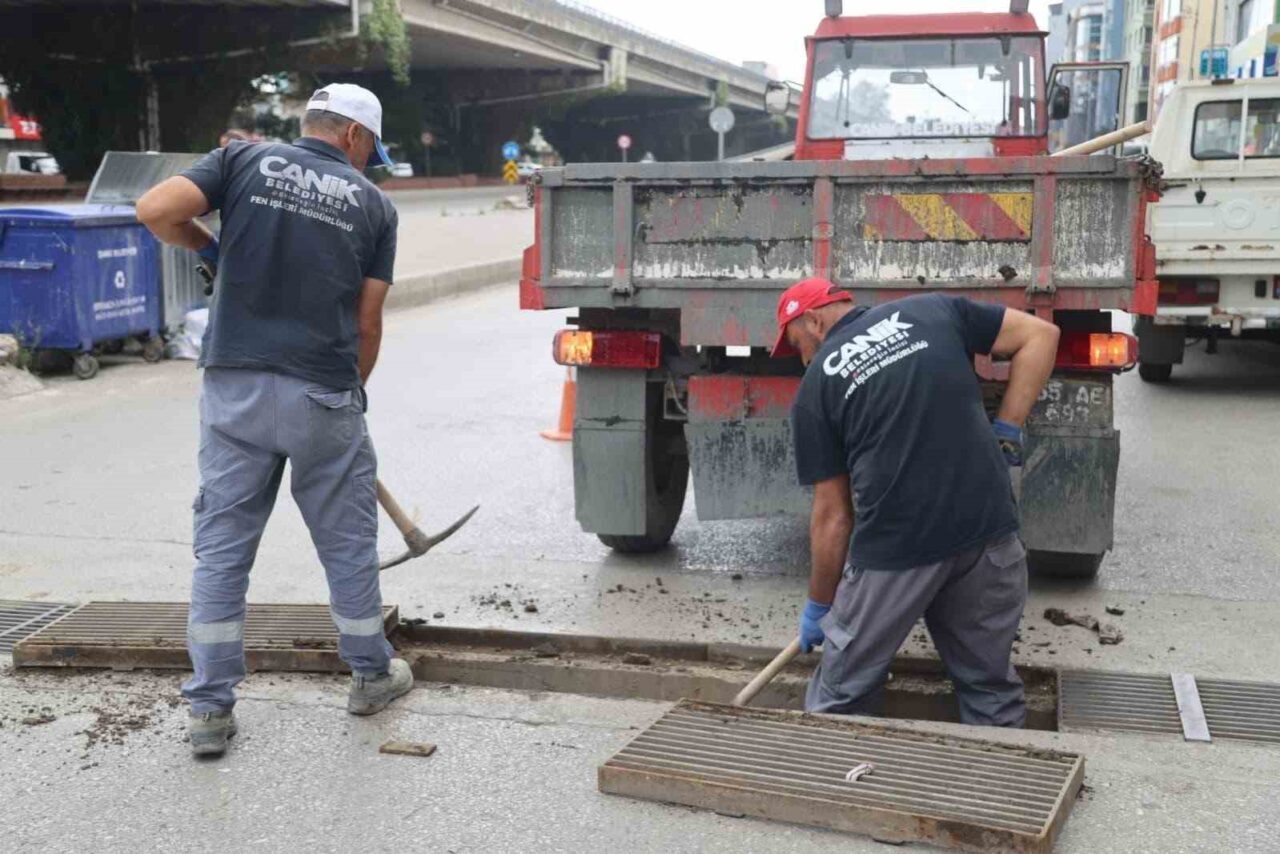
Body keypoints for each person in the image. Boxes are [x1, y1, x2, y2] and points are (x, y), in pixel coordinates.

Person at [136, 83, 406, 757]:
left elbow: (155, 210)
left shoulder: (242, 160)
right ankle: (371, 676)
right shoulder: (375, 205)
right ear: (353, 135)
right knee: (347, 546)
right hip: (323, 392)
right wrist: (348, 397)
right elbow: (369, 322)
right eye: (370, 149)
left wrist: (209, 248)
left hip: (235, 388)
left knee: (222, 551)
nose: (368, 162)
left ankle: (209, 708)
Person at [771, 277, 1060, 727]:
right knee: (989, 689)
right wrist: (1007, 427)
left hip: (897, 550)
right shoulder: (931, 309)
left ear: (814, 321)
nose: (803, 359)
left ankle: (842, 762)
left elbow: (832, 517)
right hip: (988, 534)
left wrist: (820, 605)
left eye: (797, 346)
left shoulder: (817, 386)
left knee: (839, 696)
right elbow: (1042, 335)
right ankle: (1002, 765)